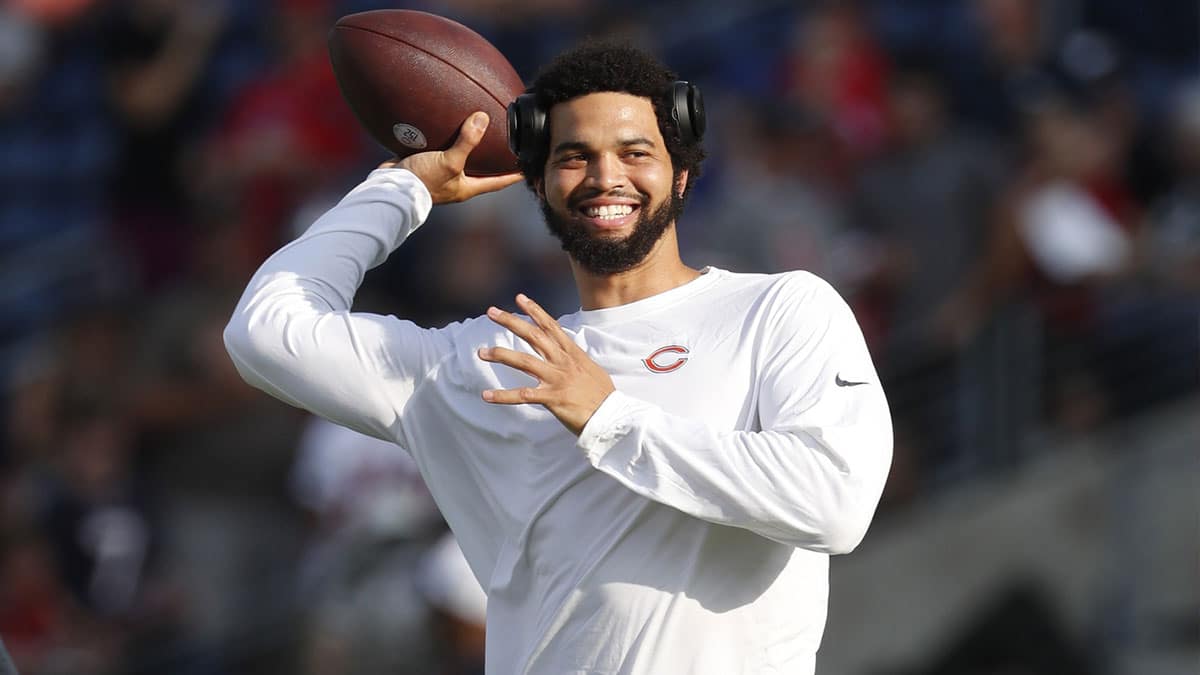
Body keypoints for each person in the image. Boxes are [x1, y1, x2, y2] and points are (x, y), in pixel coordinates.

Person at [224, 40, 893, 674]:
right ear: (538, 186)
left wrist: (608, 417)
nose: (607, 176)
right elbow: (266, 328)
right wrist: (403, 190)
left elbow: (835, 503)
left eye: (636, 152)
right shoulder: (482, 361)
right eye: (575, 156)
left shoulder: (779, 310)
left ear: (682, 176)